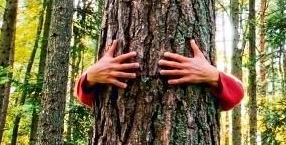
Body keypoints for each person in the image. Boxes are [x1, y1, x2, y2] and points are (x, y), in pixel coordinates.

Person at [74, 38, 244, 111]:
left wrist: (214, 76)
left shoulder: (208, 76)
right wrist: (89, 78)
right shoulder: (103, 70)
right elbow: (84, 96)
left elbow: (237, 94)